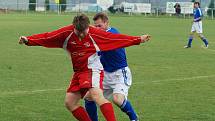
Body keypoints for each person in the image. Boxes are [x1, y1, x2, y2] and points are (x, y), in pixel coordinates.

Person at [18, 14, 151, 121]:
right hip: (78, 72)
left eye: (84, 31)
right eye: (78, 31)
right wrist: (28, 40)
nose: (82, 34)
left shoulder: (95, 33)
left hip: (93, 69)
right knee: (69, 103)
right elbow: (47, 37)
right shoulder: (66, 33)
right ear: (73, 27)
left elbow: (118, 39)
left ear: (89, 27)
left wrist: (138, 39)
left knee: (96, 96)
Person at [84, 12, 139, 121]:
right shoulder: (99, 34)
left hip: (119, 73)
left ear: (106, 23)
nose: (97, 28)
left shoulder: (112, 34)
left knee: (117, 99)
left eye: (100, 26)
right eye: (96, 26)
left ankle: (134, 118)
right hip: (105, 74)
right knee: (89, 97)